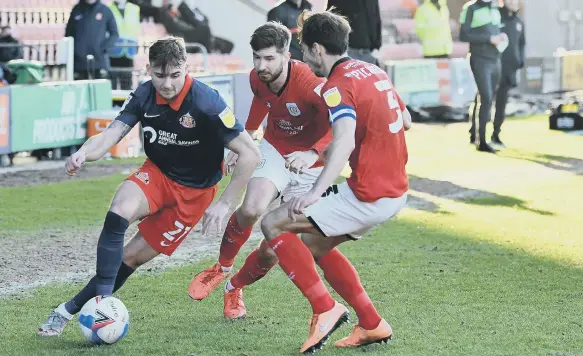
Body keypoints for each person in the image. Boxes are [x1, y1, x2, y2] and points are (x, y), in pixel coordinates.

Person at [36, 37, 260, 337]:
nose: (167, 84)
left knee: (130, 258)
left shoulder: (207, 102)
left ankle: (68, 308)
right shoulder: (144, 95)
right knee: (118, 211)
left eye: (174, 75)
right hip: (157, 173)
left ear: (186, 69)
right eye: (159, 75)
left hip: (194, 195)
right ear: (149, 69)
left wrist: (224, 203)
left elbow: (250, 154)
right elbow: (109, 136)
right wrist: (83, 153)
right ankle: (102, 303)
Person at [259, 10, 412, 353]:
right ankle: (372, 324)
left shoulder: (335, 87)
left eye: (302, 49)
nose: (301, 58)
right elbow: (406, 119)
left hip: (369, 195)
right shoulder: (373, 70)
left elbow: (342, 141)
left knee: (273, 222)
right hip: (395, 190)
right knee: (315, 246)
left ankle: (325, 308)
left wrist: (315, 192)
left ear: (316, 48)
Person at [187, 22, 332, 320]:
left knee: (273, 248)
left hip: (313, 164)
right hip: (277, 149)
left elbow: (338, 129)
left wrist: (311, 153)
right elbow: (259, 105)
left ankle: (233, 286)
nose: (261, 65)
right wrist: (242, 142)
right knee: (252, 208)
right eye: (256, 57)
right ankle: (221, 268)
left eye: (269, 58)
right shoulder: (257, 78)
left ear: (287, 56)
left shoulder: (312, 83)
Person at [460, 0, 507, 153]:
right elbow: (464, 34)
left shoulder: (495, 8)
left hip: (495, 59)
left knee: (484, 97)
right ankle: (482, 142)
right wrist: (488, 39)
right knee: (486, 98)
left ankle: (474, 134)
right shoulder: (470, 8)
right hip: (480, 59)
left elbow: (495, 30)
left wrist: (500, 37)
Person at [492, 0, 524, 148]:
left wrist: (520, 60)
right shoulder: (496, 17)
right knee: (485, 100)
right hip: (493, 67)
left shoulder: (519, 21)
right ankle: (476, 133)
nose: (513, 2)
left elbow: (522, 43)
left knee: (502, 103)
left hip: (509, 70)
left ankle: (496, 134)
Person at [65, 0, 119, 80]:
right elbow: (68, 34)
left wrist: (102, 48)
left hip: (99, 62)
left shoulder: (105, 10)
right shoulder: (76, 10)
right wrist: (76, 50)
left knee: (99, 90)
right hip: (79, 64)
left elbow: (114, 34)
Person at [326, 0, 382, 65]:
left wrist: (377, 46)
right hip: (347, 51)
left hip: (369, 52)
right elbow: (331, 20)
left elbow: (376, 19)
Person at [108, 0, 140, 90]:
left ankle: (126, 103)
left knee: (127, 83)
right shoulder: (108, 9)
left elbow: (136, 30)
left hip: (129, 51)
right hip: (113, 50)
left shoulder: (135, 9)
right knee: (112, 82)